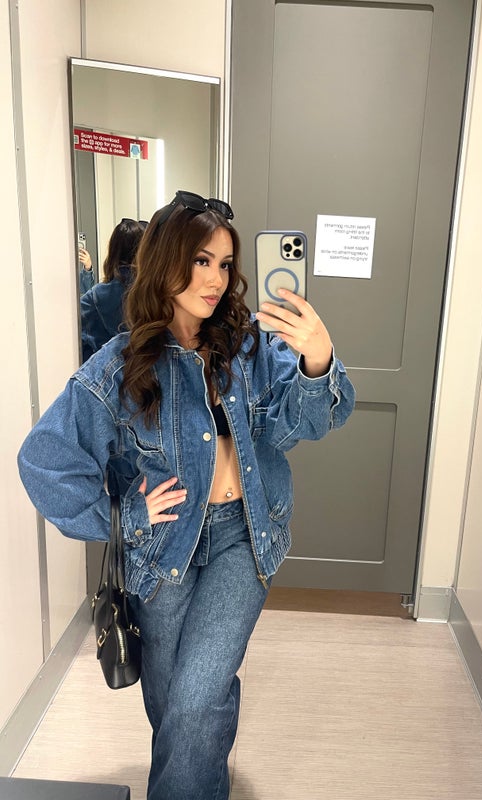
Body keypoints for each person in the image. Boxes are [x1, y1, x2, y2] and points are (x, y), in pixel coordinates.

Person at [18, 190, 355, 800]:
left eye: (224, 264)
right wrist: (123, 515)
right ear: (166, 261)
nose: (216, 280)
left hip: (243, 536)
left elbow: (304, 422)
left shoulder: (249, 347)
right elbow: (45, 460)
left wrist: (317, 359)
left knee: (196, 696)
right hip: (161, 548)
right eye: (201, 261)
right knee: (176, 702)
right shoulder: (120, 366)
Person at [80, 218, 147, 361]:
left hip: (108, 369)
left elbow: (71, 323)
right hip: (148, 369)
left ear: (113, 251)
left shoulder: (96, 295)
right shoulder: (155, 291)